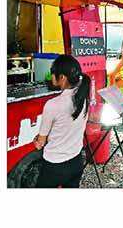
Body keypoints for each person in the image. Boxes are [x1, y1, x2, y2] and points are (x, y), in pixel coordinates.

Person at [33, 55, 90, 188]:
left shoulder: (53, 104)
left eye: (53, 73)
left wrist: (37, 141)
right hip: (76, 161)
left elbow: (40, 143)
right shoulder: (83, 98)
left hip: (54, 165)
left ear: (62, 77)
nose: (51, 77)